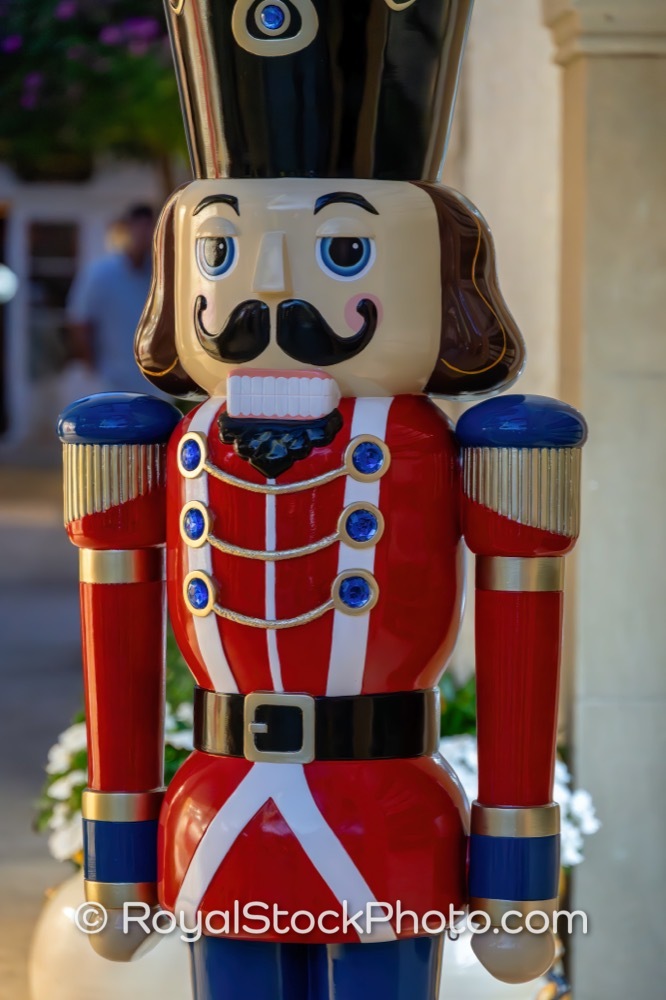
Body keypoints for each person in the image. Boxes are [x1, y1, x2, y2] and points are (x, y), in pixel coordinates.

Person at [66, 204, 155, 394]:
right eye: (139, 227)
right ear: (127, 229)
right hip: (109, 383)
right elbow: (79, 323)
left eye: (149, 228)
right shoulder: (100, 273)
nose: (144, 235)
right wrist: (92, 370)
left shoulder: (159, 275)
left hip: (153, 384)